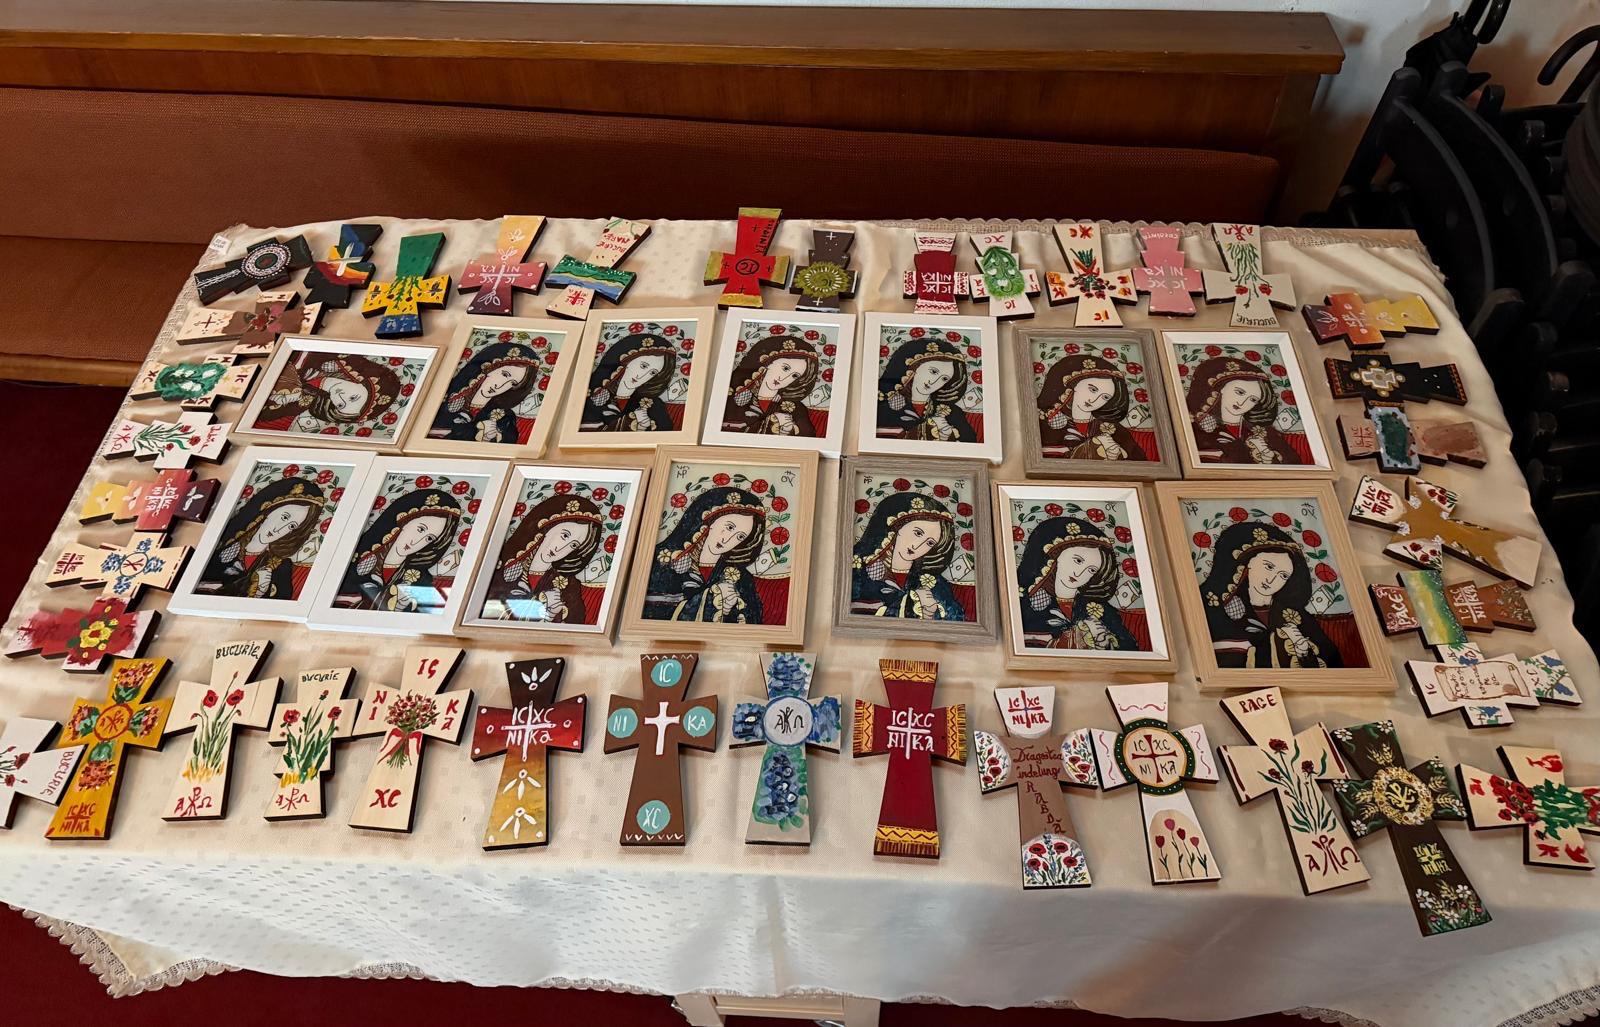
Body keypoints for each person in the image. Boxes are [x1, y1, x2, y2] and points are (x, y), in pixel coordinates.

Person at [1200, 520, 1343, 668]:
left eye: (1283, 575)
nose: (1272, 579)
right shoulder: (1216, 606)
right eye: (1268, 567)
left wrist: (1303, 651)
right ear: (1249, 562)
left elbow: (1332, 663)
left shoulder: (1296, 616)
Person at [643, 486, 767, 623]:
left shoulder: (739, 576)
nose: (728, 540)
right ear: (710, 520)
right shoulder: (663, 560)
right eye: (729, 527)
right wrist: (712, 596)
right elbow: (652, 615)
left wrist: (730, 609)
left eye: (740, 537)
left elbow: (753, 620)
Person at [1014, 516, 1136, 650]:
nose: (1079, 573)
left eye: (1091, 570)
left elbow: (1129, 648)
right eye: (1078, 561)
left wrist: (1107, 643)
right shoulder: (1024, 601)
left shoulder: (1098, 608)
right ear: (1056, 555)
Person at [195, 477, 326, 600]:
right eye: (284, 517)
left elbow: (281, 603)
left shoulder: (280, 567)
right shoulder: (226, 546)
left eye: (292, 526)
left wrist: (260, 593)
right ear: (268, 510)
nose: (280, 529)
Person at [335, 488, 462, 612]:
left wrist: (403, 607)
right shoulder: (357, 557)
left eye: (429, 538)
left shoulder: (420, 579)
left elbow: (428, 614)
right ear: (404, 521)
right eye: (420, 529)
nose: (417, 542)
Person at [482, 494, 604, 623]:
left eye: (574, 545)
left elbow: (575, 626)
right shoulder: (503, 566)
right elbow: (489, 612)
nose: (561, 549)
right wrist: (541, 606)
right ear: (548, 527)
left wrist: (554, 614)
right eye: (565, 535)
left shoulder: (569, 586)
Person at [850, 492, 966, 620]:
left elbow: (956, 618)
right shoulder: (859, 570)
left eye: (930, 543)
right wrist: (911, 604)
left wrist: (932, 614)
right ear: (897, 527)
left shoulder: (932, 582)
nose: (918, 546)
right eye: (918, 533)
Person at [1184, 355, 1299, 465]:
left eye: (1253, 399)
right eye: (1239, 392)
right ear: (1222, 387)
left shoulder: (1263, 431)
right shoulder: (1197, 427)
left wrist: (1271, 458)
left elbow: (1295, 464)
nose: (1242, 403)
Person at [1035, 354, 1147, 461]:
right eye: (1092, 389)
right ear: (1075, 384)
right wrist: (1093, 447)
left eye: (1105, 397)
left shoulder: (1111, 427)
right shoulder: (1047, 420)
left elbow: (1139, 461)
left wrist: (1119, 453)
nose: (1094, 400)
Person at [427, 341, 541, 444]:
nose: (502, 386)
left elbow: (508, 444)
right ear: (489, 367)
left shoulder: (504, 416)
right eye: (505, 374)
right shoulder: (446, 394)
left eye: (512, 383)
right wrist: (474, 431)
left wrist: (491, 436)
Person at [255, 353, 402, 432]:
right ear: (362, 382)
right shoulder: (333, 358)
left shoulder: (298, 402)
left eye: (340, 405)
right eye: (353, 397)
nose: (341, 397)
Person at [875, 336, 976, 442]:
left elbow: (971, 444)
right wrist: (926, 429)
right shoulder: (883, 404)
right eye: (933, 372)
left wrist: (948, 437)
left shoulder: (951, 411)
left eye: (944, 379)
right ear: (914, 367)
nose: (934, 382)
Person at [720, 334, 820, 436]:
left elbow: (809, 438)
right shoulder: (733, 395)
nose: (784, 378)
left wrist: (789, 430)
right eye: (785, 368)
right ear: (767, 362)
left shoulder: (795, 408)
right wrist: (772, 421)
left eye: (795, 376)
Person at [579, 331, 679, 432]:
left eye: (652, 372)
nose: (642, 376)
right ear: (627, 361)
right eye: (643, 366)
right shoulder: (595, 394)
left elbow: (666, 434)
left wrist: (645, 426)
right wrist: (631, 423)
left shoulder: (652, 404)